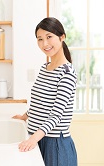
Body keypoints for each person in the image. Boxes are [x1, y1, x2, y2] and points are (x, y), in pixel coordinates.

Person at [12, 17, 78, 166]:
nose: (45, 44)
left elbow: (56, 115)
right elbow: (39, 102)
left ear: (62, 37)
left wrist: (33, 139)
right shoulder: (45, 68)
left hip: (55, 145)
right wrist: (24, 116)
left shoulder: (67, 73)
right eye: (40, 39)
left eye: (49, 37)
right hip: (39, 139)